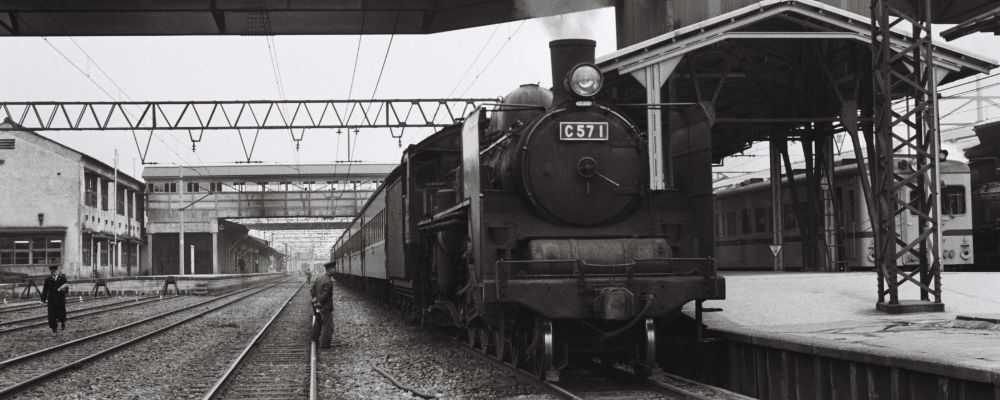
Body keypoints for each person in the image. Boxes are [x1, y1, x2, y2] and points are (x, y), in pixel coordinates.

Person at [310, 261, 336, 348]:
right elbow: (325, 295)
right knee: (328, 326)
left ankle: (314, 339)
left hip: (317, 305)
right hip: (325, 306)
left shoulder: (319, 277)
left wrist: (315, 302)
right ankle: (325, 345)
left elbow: (312, 291)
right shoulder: (329, 281)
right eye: (334, 268)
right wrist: (320, 303)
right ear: (330, 269)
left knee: (318, 322)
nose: (335, 270)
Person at [40, 265, 70, 333]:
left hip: (60, 300)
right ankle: (54, 329)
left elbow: (66, 289)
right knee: (52, 316)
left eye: (54, 271)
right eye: (52, 272)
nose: (53, 273)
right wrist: (43, 300)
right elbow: (45, 290)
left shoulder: (62, 278)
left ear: (57, 271)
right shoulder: (47, 280)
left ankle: (62, 322)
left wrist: (63, 289)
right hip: (52, 300)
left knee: (61, 314)